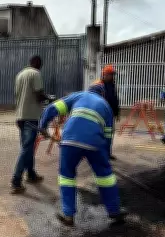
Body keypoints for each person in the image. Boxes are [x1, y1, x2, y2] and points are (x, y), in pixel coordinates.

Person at [38, 82, 124, 227]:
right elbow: (108, 136)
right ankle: (114, 212)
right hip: (95, 143)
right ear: (102, 94)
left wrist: (42, 125)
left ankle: (68, 215)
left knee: (67, 176)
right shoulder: (106, 106)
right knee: (105, 177)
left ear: (89, 90)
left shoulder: (79, 96)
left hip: (70, 141)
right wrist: (104, 155)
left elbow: (52, 108)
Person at [11, 55, 47, 194]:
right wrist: (48, 98)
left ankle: (31, 174)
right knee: (27, 149)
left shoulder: (20, 75)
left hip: (20, 117)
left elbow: (18, 95)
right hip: (31, 117)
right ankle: (16, 181)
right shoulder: (36, 74)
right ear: (39, 64)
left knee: (28, 148)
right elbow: (38, 94)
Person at [100, 65, 120, 160]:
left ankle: (107, 153)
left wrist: (117, 113)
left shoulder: (112, 85)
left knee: (109, 136)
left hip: (110, 114)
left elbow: (114, 99)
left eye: (112, 75)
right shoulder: (100, 85)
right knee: (99, 134)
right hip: (101, 114)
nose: (112, 76)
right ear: (105, 74)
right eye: (110, 74)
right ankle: (98, 154)